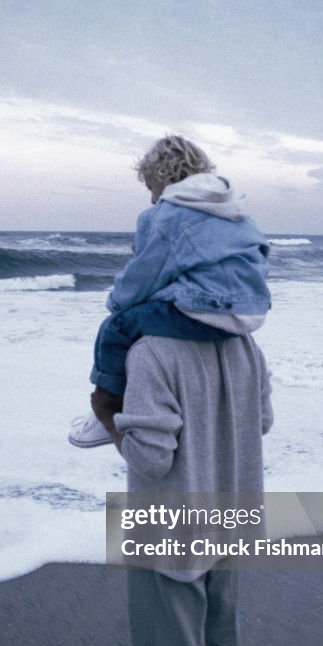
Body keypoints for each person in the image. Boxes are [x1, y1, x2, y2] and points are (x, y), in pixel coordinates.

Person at [92, 330, 273, 646]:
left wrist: (108, 416)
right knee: (219, 615)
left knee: (169, 644)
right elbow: (263, 421)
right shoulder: (244, 342)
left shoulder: (151, 351)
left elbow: (152, 459)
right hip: (232, 502)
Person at [69, 135, 270, 447]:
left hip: (205, 311)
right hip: (251, 312)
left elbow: (142, 278)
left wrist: (116, 303)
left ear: (163, 175)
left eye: (150, 187)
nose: (151, 199)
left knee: (115, 328)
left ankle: (105, 412)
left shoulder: (164, 215)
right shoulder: (239, 213)